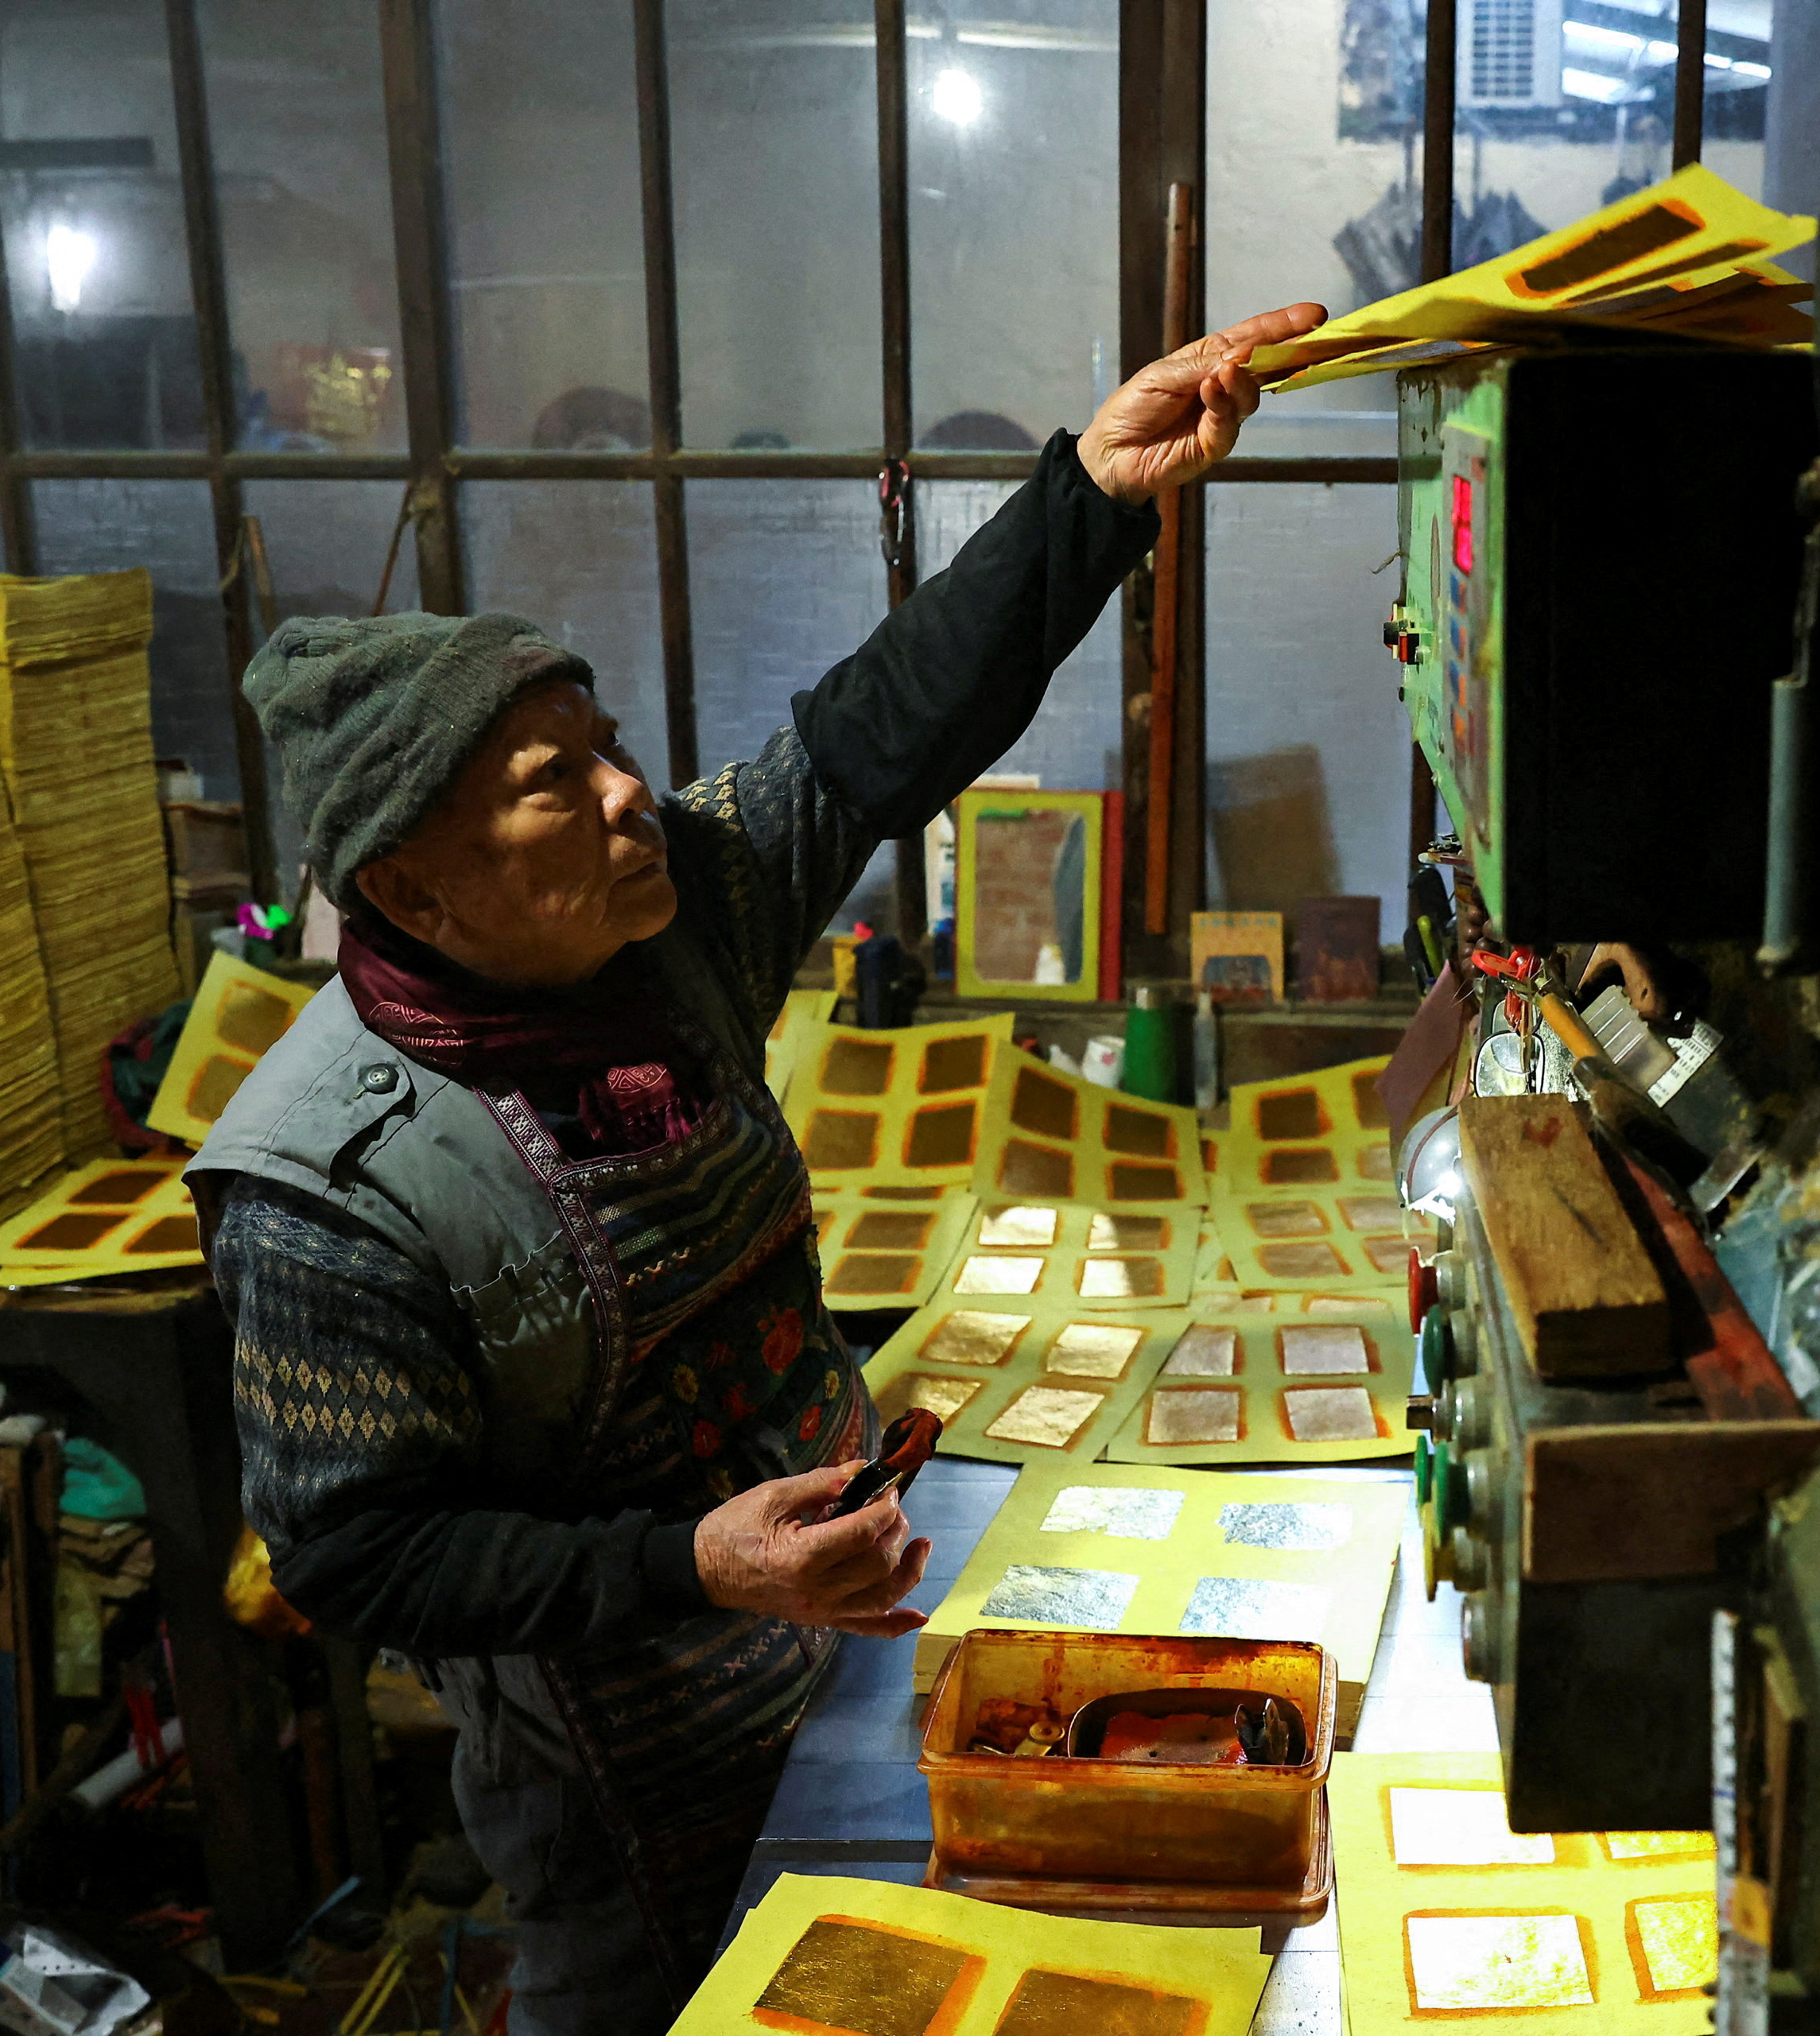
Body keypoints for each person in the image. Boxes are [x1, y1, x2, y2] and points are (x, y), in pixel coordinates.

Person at [190, 303, 1328, 2034]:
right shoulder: (323, 1178)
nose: (633, 797)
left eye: (613, 746)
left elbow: (875, 735)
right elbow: (362, 1558)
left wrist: (1094, 493)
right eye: (551, 785)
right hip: (623, 1763)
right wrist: (690, 1566)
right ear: (412, 893)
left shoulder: (679, 915)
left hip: (848, 1645)